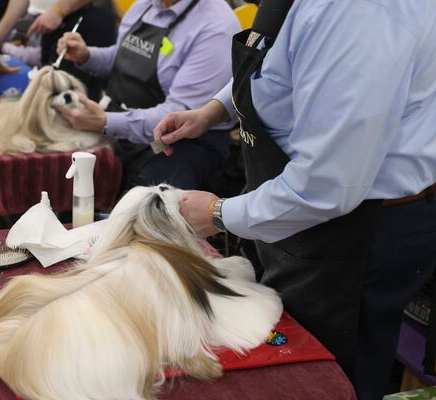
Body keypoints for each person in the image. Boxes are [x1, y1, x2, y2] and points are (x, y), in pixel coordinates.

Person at [154, 1, 436, 399]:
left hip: (357, 233)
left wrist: (218, 214)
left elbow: (323, 186)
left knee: (330, 378)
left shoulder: (358, 15)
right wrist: (216, 109)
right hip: (304, 215)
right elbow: (283, 60)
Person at [56, 0, 240, 190]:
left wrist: (104, 121)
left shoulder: (216, 27)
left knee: (142, 204)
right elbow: (120, 57)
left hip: (178, 143)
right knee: (63, 180)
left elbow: (178, 116)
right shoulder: (146, 6)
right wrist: (87, 56)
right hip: (120, 129)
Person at [0, 0, 117, 100]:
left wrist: (58, 11)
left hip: (85, 20)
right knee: (47, 99)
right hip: (48, 23)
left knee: (74, 103)